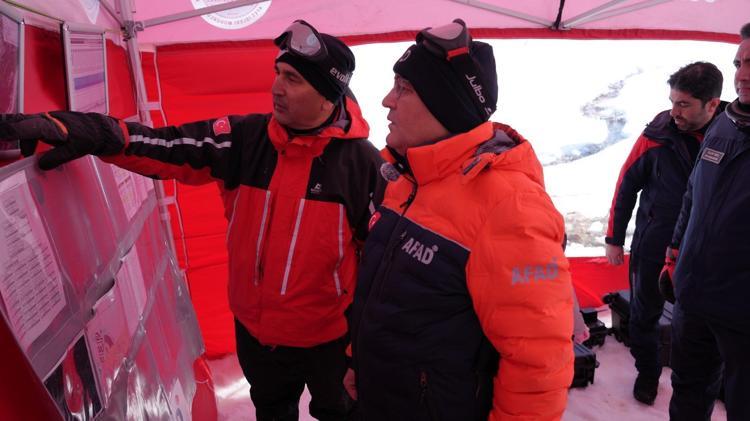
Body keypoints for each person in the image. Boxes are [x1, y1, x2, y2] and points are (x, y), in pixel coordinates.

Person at [0, 20, 383, 421]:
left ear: (327, 95)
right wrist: (97, 133)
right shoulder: (244, 138)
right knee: (271, 412)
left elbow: (378, 273)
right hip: (257, 335)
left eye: (293, 79)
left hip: (328, 341)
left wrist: (359, 350)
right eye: (278, 73)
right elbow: (165, 146)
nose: (276, 87)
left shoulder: (363, 166)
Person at [346, 19, 574, 420]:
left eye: (404, 88)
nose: (386, 100)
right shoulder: (408, 178)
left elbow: (538, 361)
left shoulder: (511, 208)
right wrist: (357, 361)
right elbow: (383, 297)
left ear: (446, 105)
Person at [603, 61, 725, 405]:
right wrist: (614, 238)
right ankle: (648, 373)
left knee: (703, 320)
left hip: (706, 252)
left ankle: (704, 382)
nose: (674, 112)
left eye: (684, 104)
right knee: (644, 316)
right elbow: (626, 185)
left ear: (712, 104)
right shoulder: (656, 135)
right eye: (672, 102)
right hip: (653, 245)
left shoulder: (732, 135)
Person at [660, 23, 750, 421]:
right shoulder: (724, 125)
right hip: (694, 294)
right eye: (739, 63)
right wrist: (674, 255)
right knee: (688, 391)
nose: (743, 74)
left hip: (742, 309)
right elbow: (693, 197)